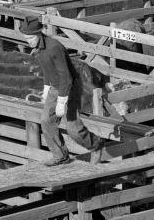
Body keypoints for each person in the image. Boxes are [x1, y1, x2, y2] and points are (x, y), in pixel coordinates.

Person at [21, 18, 108, 167]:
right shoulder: (38, 49)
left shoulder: (54, 48)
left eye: (30, 38)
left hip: (70, 87)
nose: (27, 41)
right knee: (46, 121)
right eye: (25, 38)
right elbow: (47, 70)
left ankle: (96, 145)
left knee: (73, 129)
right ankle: (60, 155)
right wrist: (46, 89)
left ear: (39, 34)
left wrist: (62, 101)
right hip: (55, 88)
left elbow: (66, 76)